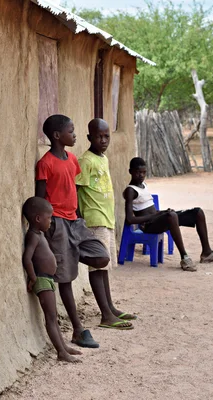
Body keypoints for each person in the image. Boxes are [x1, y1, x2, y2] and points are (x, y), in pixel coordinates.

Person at [35, 114, 110, 348]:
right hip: (57, 223)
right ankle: (78, 330)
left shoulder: (72, 160)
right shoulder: (45, 163)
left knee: (101, 256)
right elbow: (40, 198)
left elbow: (73, 190)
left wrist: (78, 216)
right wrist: (43, 230)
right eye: (71, 131)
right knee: (65, 278)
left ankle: (70, 254)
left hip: (75, 221)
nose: (75, 135)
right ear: (58, 136)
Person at [76, 118, 135, 330]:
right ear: (89, 137)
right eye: (99, 136)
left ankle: (110, 307)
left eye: (106, 136)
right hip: (94, 219)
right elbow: (76, 189)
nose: (103, 140)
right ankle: (105, 315)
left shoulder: (103, 159)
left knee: (104, 266)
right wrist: (77, 219)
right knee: (97, 266)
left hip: (106, 219)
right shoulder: (86, 161)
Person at [123, 157, 213, 271]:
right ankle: (184, 257)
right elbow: (130, 219)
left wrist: (162, 212)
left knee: (198, 212)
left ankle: (207, 253)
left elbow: (150, 209)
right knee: (172, 216)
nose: (141, 175)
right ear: (131, 172)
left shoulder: (143, 185)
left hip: (157, 219)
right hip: (148, 226)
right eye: (138, 172)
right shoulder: (130, 190)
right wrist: (157, 215)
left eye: (144, 172)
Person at [22, 196, 82, 363]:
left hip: (47, 278)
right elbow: (27, 258)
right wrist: (33, 278)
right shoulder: (33, 236)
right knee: (50, 317)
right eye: (49, 218)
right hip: (41, 279)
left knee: (53, 316)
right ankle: (61, 352)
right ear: (38, 219)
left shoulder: (40, 234)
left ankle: (63, 347)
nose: (50, 221)